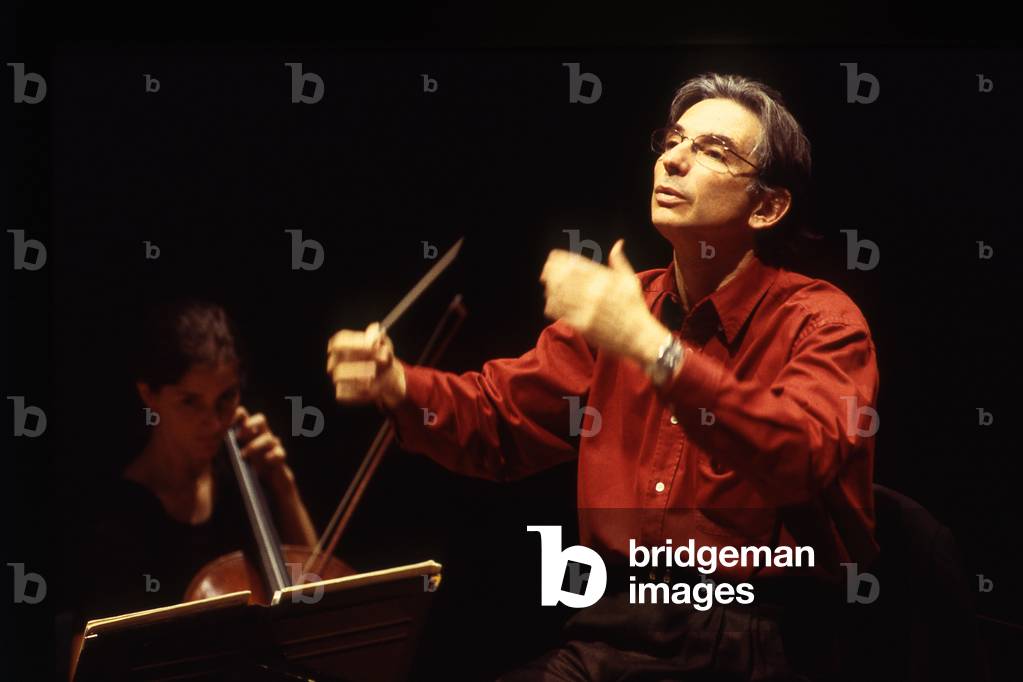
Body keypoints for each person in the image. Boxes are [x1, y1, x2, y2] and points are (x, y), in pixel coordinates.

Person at [326, 73, 879, 681]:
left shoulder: (821, 320)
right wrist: (397, 383)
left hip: (756, 641)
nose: (673, 160)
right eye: (673, 141)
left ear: (768, 206)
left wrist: (649, 346)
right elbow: (498, 420)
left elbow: (799, 457)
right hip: (613, 627)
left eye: (714, 151)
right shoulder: (626, 309)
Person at [67, 299, 318, 661]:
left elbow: (318, 590)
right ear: (149, 394)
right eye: (190, 402)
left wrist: (284, 487)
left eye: (226, 398)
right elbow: (85, 663)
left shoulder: (246, 473)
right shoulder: (116, 522)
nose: (214, 422)